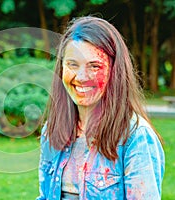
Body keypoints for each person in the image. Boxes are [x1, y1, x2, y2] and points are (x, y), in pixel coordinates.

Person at [37, 16, 165, 200]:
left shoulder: (135, 137)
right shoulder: (52, 131)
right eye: (72, 64)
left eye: (94, 66)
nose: (81, 77)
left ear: (115, 71)